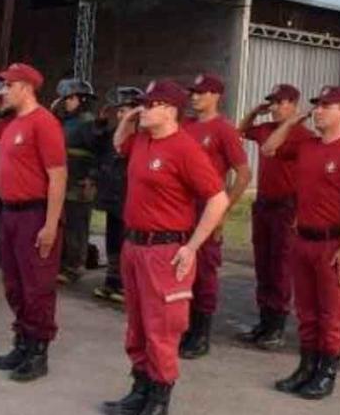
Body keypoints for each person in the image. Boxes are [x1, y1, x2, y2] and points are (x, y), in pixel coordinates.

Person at [103, 80, 228, 415]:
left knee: (162, 328)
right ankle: (139, 388)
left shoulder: (184, 148)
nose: (144, 108)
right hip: (135, 245)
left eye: (151, 104)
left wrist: (192, 247)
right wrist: (130, 120)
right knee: (138, 324)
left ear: (171, 110)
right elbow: (118, 143)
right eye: (143, 103)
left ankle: (159, 399)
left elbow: (218, 199)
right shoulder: (142, 140)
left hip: (165, 250)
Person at [262, 86, 340, 400]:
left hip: (334, 243)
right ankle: (306, 366)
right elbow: (268, 149)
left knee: (333, 313)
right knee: (306, 311)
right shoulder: (307, 146)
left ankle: (327, 372)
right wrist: (293, 120)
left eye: (326, 105)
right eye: (317, 105)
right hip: (304, 239)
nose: (319, 110)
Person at [0, 63, 66, 382]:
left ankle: (38, 352)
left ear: (26, 87)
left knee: (37, 286)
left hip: (35, 213)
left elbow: (58, 177)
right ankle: (22, 343)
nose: (2, 91)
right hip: (10, 213)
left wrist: (51, 225)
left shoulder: (44, 123)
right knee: (14, 284)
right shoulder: (12, 122)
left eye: (7, 85)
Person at [237, 84, 314, 350]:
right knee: (263, 263)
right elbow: (239, 131)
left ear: (293, 104)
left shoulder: (304, 136)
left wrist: (291, 124)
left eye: (280, 103)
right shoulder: (266, 128)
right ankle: (264, 322)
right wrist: (254, 111)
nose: (274, 108)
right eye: (271, 103)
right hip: (264, 205)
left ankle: (276, 327)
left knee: (280, 266)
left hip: (287, 207)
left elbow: (271, 149)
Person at [180, 73, 251, 360]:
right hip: (180, 208)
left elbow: (244, 174)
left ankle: (201, 333)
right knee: (180, 268)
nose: (194, 97)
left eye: (201, 92)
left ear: (215, 96)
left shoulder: (223, 129)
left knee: (204, 271)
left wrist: (223, 210)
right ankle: (183, 326)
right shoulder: (184, 126)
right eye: (193, 92)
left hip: (206, 207)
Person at [91, 86, 143, 303]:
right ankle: (112, 281)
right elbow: (98, 147)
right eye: (119, 111)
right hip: (113, 197)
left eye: (125, 110)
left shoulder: (141, 138)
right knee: (112, 239)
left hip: (129, 198)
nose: (120, 115)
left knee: (127, 241)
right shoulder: (114, 134)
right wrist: (101, 123)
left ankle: (124, 284)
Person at [52, 78, 98, 285]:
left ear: (82, 99)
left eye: (69, 98)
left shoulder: (89, 124)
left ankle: (74, 266)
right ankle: (63, 263)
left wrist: (92, 178)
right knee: (63, 224)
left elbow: (101, 153)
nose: (66, 102)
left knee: (76, 226)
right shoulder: (65, 122)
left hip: (80, 184)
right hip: (65, 181)